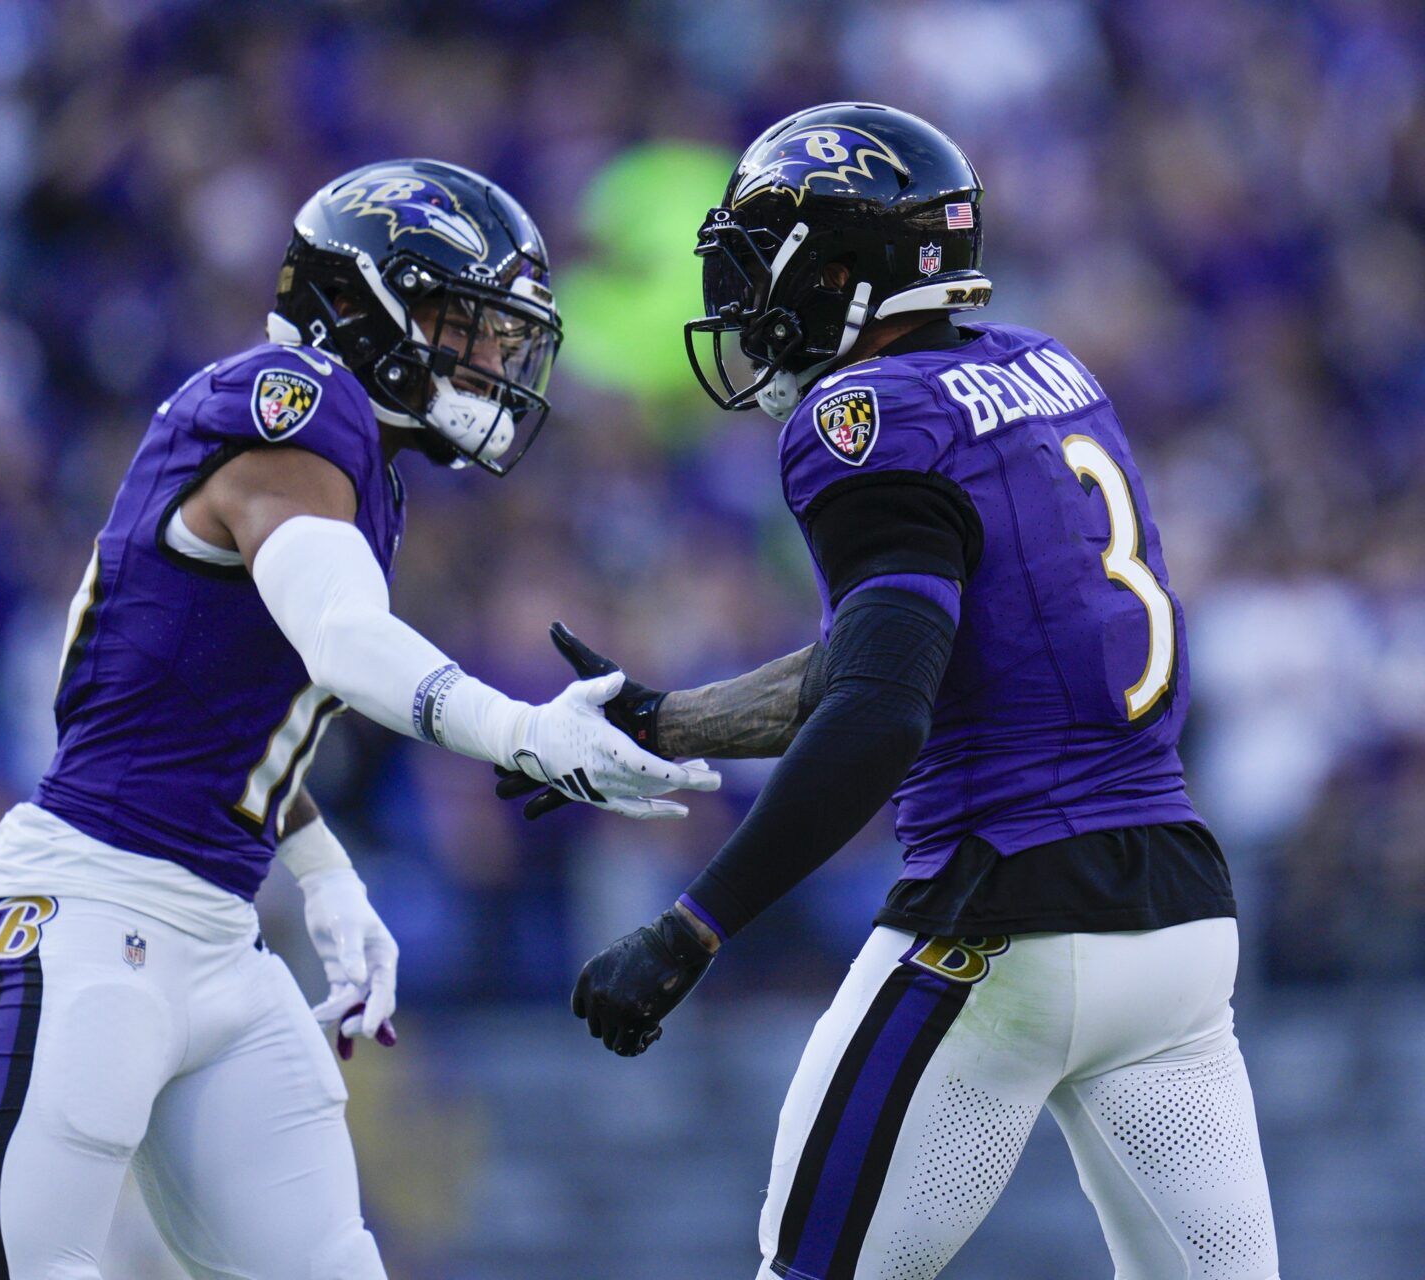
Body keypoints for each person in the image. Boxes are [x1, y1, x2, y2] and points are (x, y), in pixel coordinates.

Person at [0, 158, 719, 1280]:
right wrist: (524, 732)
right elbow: (341, 640)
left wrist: (321, 868)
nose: (496, 360)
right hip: (84, 917)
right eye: (470, 323)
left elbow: (209, 698)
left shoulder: (356, 456)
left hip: (212, 938)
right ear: (362, 303)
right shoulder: (296, 407)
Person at [533, 104, 1280, 1280]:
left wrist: (692, 927)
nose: (740, 308)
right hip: (1176, 920)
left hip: (1004, 921)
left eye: (757, 268)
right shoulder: (1048, 368)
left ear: (841, 270)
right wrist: (666, 719)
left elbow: (884, 709)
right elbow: (888, 658)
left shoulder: (865, 419)